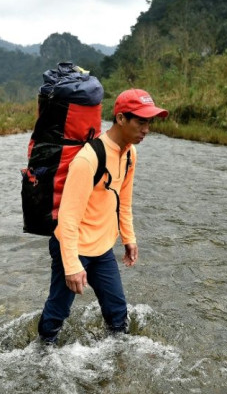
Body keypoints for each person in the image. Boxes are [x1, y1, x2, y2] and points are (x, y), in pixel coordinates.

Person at [37, 88, 169, 344]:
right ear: (121, 118)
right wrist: (72, 265)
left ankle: (119, 361)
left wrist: (129, 238)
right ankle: (40, 355)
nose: (146, 129)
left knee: (118, 314)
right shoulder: (88, 159)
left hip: (102, 247)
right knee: (58, 313)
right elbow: (68, 217)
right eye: (141, 121)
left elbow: (124, 200)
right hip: (74, 246)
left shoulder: (130, 153)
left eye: (149, 122)